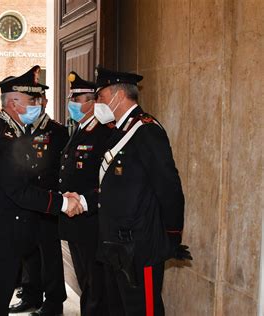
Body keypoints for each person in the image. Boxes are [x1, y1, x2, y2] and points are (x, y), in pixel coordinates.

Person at [0, 65, 84, 316]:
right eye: (32, 100)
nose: (38, 104)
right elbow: (19, 190)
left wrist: (60, 196)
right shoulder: (2, 138)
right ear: (13, 103)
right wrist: (63, 204)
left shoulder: (11, 131)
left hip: (6, 231)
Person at [95, 66, 192, 315]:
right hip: (117, 244)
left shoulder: (146, 130)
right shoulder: (120, 130)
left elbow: (169, 188)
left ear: (118, 95)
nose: (99, 103)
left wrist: (171, 236)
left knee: (144, 310)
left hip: (141, 247)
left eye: (101, 96)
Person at [57, 71, 116, 315]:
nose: (72, 104)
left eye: (77, 100)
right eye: (72, 99)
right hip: (75, 220)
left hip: (91, 220)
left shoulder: (104, 133)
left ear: (93, 103)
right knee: (84, 279)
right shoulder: (80, 129)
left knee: (95, 282)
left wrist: (81, 201)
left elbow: (106, 181)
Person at [9, 89, 69, 316]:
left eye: (37, 100)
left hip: (48, 203)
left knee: (50, 255)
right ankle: (31, 294)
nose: (33, 104)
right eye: (29, 100)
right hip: (26, 203)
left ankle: (54, 303)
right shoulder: (20, 130)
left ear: (45, 101)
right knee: (29, 251)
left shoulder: (58, 131)